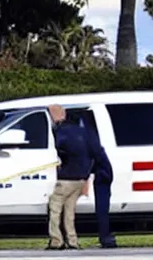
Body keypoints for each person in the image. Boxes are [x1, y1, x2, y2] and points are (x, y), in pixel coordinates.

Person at [46, 104, 92, 251]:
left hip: (66, 177)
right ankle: (72, 240)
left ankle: (56, 240)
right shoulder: (83, 135)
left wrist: (60, 164)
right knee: (69, 211)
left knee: (55, 208)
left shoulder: (61, 133)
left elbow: (62, 152)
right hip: (79, 178)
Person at [78, 115, 117, 248]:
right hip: (103, 171)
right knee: (102, 207)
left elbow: (94, 155)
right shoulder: (89, 134)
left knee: (101, 207)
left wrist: (85, 176)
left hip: (101, 173)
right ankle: (105, 236)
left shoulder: (86, 135)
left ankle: (105, 237)